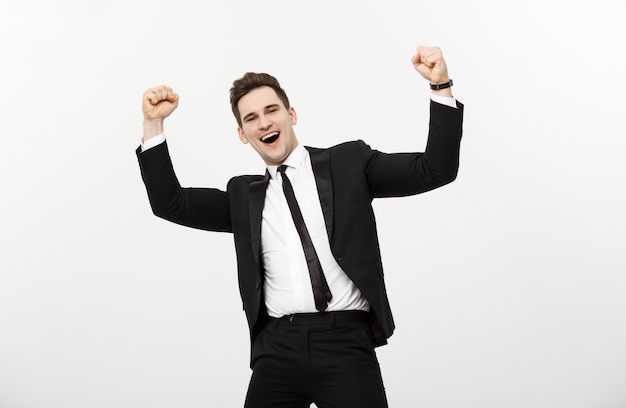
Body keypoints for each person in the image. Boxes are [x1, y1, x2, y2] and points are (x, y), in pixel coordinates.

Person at [136, 45, 463, 408]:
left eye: (272, 110)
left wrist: (440, 86)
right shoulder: (242, 195)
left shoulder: (349, 164)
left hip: (345, 344)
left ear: (291, 114)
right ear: (243, 134)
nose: (264, 123)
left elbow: (435, 169)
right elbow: (170, 203)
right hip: (277, 349)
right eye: (251, 118)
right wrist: (154, 124)